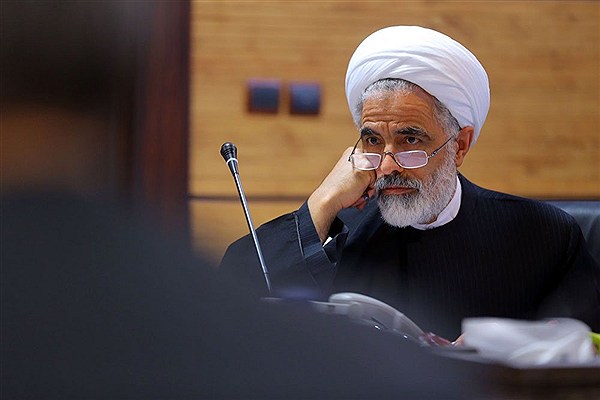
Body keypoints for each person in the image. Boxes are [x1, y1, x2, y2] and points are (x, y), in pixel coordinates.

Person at [220, 25, 600, 339]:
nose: (387, 165)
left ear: (460, 145)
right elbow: (233, 307)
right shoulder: (343, 233)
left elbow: (585, 349)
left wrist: (502, 354)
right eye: (373, 141)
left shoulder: (544, 235)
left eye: (410, 140)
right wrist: (322, 202)